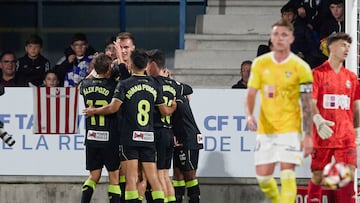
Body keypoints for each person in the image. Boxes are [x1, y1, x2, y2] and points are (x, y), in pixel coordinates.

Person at [83, 49, 177, 203]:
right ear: (146, 65)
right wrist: (173, 107)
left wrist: (94, 111)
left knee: (131, 180)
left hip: (130, 139)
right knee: (154, 179)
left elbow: (113, 108)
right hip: (148, 137)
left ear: (131, 64)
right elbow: (164, 111)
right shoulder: (154, 84)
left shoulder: (125, 84)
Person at [244, 19, 313, 203]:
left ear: (291, 38)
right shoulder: (260, 64)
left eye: (284, 35)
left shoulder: (301, 67)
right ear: (271, 37)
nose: (280, 38)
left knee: (287, 172)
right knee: (264, 178)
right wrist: (249, 114)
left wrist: (308, 135)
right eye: (276, 34)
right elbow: (251, 93)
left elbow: (307, 103)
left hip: (290, 128)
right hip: (266, 129)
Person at [307, 32, 360, 203]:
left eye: (348, 46)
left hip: (345, 136)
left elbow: (356, 106)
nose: (347, 49)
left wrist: (357, 130)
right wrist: (318, 119)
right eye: (343, 45)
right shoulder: (317, 74)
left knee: (348, 175)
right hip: (325, 133)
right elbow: (310, 101)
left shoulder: (352, 77)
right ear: (331, 47)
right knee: (318, 174)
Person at [79, 53, 121, 203]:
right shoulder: (114, 86)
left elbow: (83, 83)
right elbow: (113, 107)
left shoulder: (85, 85)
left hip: (92, 137)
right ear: (109, 69)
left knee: (93, 177)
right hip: (110, 138)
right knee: (114, 177)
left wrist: (96, 66)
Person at [145, 49, 182, 203]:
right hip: (168, 132)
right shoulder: (173, 84)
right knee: (166, 175)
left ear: (153, 64)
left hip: (158, 132)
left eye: (147, 65)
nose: (146, 68)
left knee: (159, 175)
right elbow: (187, 91)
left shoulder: (153, 83)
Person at [172, 83, 203, 203]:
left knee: (189, 175)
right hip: (178, 138)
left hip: (189, 138)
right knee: (177, 175)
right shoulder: (174, 96)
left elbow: (189, 89)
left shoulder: (177, 96)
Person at [281, 2, 326, 68]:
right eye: (284, 14)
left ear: (295, 16)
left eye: (289, 14)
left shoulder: (303, 28)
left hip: (300, 55)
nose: (287, 17)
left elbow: (311, 45)